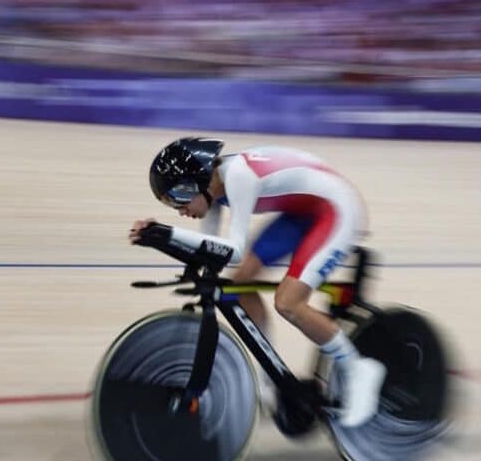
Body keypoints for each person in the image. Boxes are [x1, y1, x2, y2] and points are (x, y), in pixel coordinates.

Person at [127, 137, 386, 428]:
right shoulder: (212, 187)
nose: (179, 209)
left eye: (178, 196)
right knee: (241, 284)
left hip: (337, 209)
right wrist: (159, 239)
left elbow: (234, 251)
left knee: (288, 302)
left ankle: (358, 368)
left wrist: (168, 233)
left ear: (196, 181)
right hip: (301, 213)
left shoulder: (238, 176)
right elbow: (211, 250)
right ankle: (270, 380)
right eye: (169, 201)